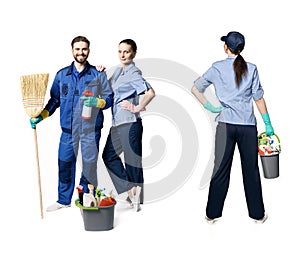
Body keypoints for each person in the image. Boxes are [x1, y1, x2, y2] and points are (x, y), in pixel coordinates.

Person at [192, 31, 274, 224]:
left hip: (225, 126)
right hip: (247, 127)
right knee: (251, 171)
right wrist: (268, 123)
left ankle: (212, 214)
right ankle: (258, 215)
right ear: (241, 49)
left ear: (225, 47)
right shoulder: (251, 68)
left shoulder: (217, 68)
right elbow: (258, 98)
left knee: (220, 170)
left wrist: (209, 106)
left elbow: (196, 87)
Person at [30, 36, 113, 212]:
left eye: (84, 49)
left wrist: (99, 103)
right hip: (68, 131)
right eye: (77, 49)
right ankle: (63, 200)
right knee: (65, 163)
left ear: (89, 51)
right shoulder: (62, 75)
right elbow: (54, 100)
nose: (81, 52)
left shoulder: (98, 74)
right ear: (72, 50)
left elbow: (110, 97)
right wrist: (41, 116)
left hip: (91, 130)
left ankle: (86, 199)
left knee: (89, 165)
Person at [101, 39, 155, 212]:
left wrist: (136, 107)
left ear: (134, 53)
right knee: (108, 156)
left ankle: (137, 201)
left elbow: (151, 92)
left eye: (126, 51)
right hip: (117, 123)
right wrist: (100, 74)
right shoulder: (117, 72)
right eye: (120, 51)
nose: (123, 55)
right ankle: (129, 190)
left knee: (132, 162)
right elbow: (106, 91)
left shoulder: (134, 73)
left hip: (131, 123)